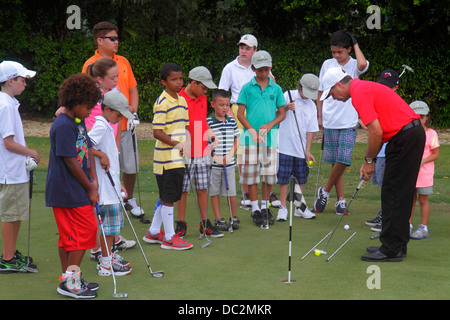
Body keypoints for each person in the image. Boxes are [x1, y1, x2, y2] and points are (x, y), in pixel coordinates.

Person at [320, 67, 425, 262]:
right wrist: (371, 160)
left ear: (339, 85)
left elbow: (375, 132)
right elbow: (378, 130)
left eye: (332, 93)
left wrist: (369, 161)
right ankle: (397, 245)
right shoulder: (364, 88)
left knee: (393, 193)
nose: (333, 98)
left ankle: (390, 249)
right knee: (399, 193)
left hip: (405, 137)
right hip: (408, 136)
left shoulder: (359, 93)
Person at [45, 73, 102, 298]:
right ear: (76, 102)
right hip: (66, 190)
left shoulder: (77, 121)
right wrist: (89, 187)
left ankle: (70, 278)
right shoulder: (63, 126)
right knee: (84, 231)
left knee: (68, 236)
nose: (90, 111)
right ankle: (70, 282)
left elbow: (86, 148)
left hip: (77, 187)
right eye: (88, 107)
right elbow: (70, 160)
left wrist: (93, 180)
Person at [82, 22, 144, 220]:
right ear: (100, 41)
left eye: (117, 38)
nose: (117, 42)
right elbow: (85, 99)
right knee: (101, 172)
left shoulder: (123, 61)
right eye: (113, 38)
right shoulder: (90, 64)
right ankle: (101, 227)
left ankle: (127, 198)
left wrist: (130, 111)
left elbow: (133, 88)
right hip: (101, 128)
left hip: (122, 122)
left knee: (127, 165)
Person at [218, 34, 281, 210]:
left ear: (255, 50)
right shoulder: (230, 68)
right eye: (241, 47)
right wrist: (229, 114)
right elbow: (222, 93)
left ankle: (267, 194)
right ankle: (246, 192)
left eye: (247, 48)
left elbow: (273, 87)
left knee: (265, 152)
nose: (243, 51)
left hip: (259, 113)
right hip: (237, 112)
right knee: (243, 155)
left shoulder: (262, 67)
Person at [314, 30, 369, 215]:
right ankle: (340, 200)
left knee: (343, 159)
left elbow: (363, 64)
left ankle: (325, 191)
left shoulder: (354, 64)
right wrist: (320, 115)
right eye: (333, 52)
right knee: (335, 162)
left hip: (349, 119)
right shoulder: (327, 64)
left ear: (348, 49)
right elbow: (321, 92)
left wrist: (355, 43)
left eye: (339, 52)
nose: (336, 56)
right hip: (330, 119)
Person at [142, 62, 193, 250]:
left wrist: (186, 143)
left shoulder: (182, 100)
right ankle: (170, 237)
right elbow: (157, 132)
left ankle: (153, 232)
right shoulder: (162, 102)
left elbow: (185, 127)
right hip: (165, 159)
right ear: (164, 82)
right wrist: (177, 144)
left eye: (180, 78)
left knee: (167, 195)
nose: (178, 82)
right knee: (169, 197)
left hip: (177, 156)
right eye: (174, 79)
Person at [236, 50, 287, 227]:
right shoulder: (246, 88)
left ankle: (265, 207)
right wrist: (251, 130)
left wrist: (270, 124)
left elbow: (282, 114)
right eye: (259, 70)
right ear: (253, 69)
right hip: (250, 138)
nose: (263, 73)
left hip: (269, 138)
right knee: (251, 176)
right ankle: (255, 209)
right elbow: (240, 113)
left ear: (270, 68)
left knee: (267, 175)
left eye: (266, 69)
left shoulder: (276, 88)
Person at [0, 61, 40, 273]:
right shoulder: (5, 105)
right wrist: (31, 152)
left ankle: (11, 252)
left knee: (15, 214)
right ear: (10, 81)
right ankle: (7, 258)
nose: (25, 83)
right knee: (10, 215)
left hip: (15, 170)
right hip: (11, 171)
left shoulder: (9, 102)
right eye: (22, 80)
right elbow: (8, 142)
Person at [89, 91, 134, 276]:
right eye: (118, 114)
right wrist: (102, 155)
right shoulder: (100, 125)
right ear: (107, 110)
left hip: (112, 186)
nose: (120, 118)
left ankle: (109, 256)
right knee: (109, 228)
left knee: (112, 228)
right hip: (105, 191)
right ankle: (106, 263)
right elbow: (85, 145)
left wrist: (119, 184)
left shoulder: (107, 124)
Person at [175, 66, 222, 238]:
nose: (205, 91)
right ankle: (181, 224)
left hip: (202, 150)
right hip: (185, 151)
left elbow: (202, 121)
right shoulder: (179, 98)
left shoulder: (202, 98)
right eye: (203, 87)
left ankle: (205, 224)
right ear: (193, 83)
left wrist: (210, 132)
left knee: (202, 188)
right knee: (183, 189)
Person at [277, 74, 319, 221]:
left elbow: (310, 130)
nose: (308, 96)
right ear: (299, 87)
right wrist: (285, 108)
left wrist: (307, 150)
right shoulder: (287, 96)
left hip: (300, 149)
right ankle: (283, 208)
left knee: (300, 179)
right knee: (283, 179)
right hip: (284, 146)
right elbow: (274, 115)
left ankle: (299, 207)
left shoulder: (312, 105)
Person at [365, 69, 400, 232]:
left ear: (396, 88)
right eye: (382, 85)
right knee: (383, 187)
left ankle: (388, 220)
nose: (384, 89)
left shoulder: (397, 103)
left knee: (390, 188)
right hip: (379, 153)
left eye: (388, 86)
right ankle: (383, 214)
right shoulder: (378, 101)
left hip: (392, 153)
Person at [206, 89, 240, 230]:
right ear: (213, 104)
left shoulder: (232, 121)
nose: (225, 108)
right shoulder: (208, 122)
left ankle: (234, 217)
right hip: (214, 165)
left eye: (227, 105)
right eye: (221, 105)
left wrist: (231, 154)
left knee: (231, 192)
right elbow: (206, 145)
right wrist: (216, 158)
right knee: (214, 192)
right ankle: (218, 218)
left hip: (230, 164)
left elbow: (237, 139)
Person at [409, 101, 439, 240]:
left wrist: (422, 162)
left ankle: (423, 227)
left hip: (424, 174)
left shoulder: (431, 134)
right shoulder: (408, 132)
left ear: (427, 117)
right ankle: (407, 225)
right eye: (416, 116)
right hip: (410, 172)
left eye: (422, 116)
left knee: (423, 200)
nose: (419, 119)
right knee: (410, 199)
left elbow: (435, 154)